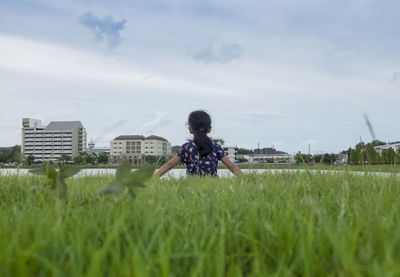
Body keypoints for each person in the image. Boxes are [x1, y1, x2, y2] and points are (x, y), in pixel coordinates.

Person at [155, 110, 242, 177]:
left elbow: (169, 165)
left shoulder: (186, 148)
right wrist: (246, 179)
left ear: (190, 129)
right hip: (214, 186)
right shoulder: (216, 147)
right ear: (209, 129)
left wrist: (153, 178)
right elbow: (232, 167)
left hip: (191, 188)